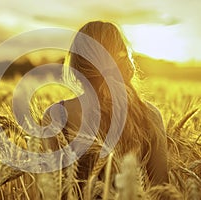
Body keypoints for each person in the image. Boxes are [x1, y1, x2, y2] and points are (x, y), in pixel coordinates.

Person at [42, 21, 169, 186]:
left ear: (76, 64)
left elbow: (48, 190)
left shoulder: (56, 116)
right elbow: (162, 188)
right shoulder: (150, 115)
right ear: (124, 62)